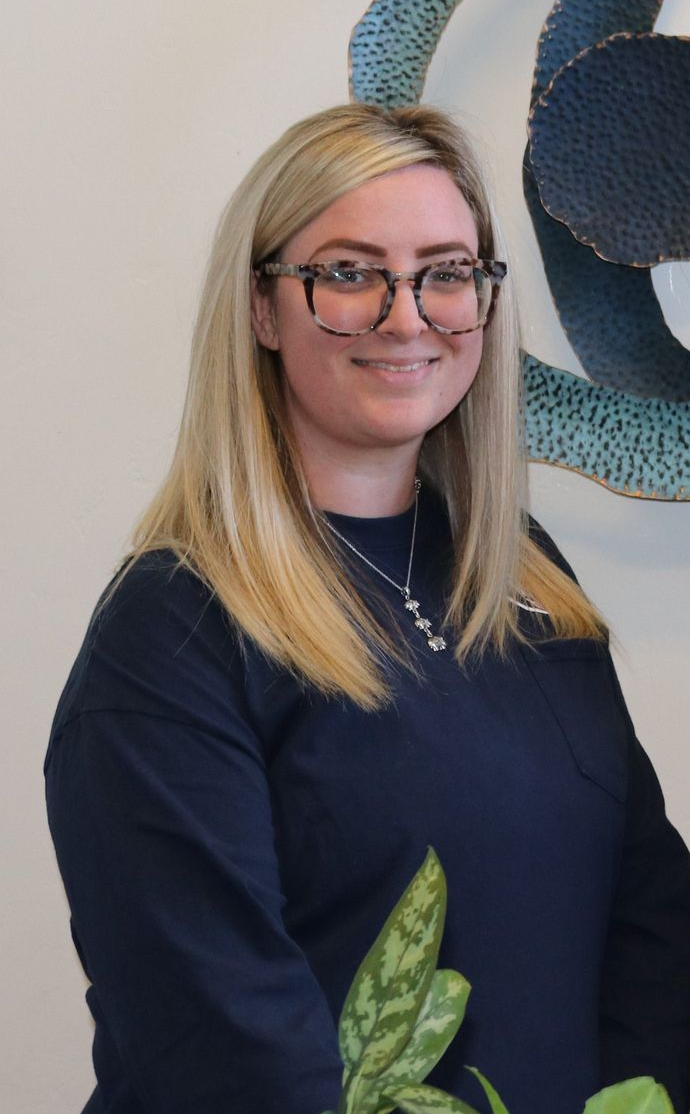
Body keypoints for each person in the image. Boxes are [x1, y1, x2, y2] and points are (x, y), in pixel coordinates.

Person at [45, 103, 690, 1114]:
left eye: (445, 272)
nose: (406, 315)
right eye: (348, 274)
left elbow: (652, 922)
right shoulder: (174, 633)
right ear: (262, 308)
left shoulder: (526, 583)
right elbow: (223, 1042)